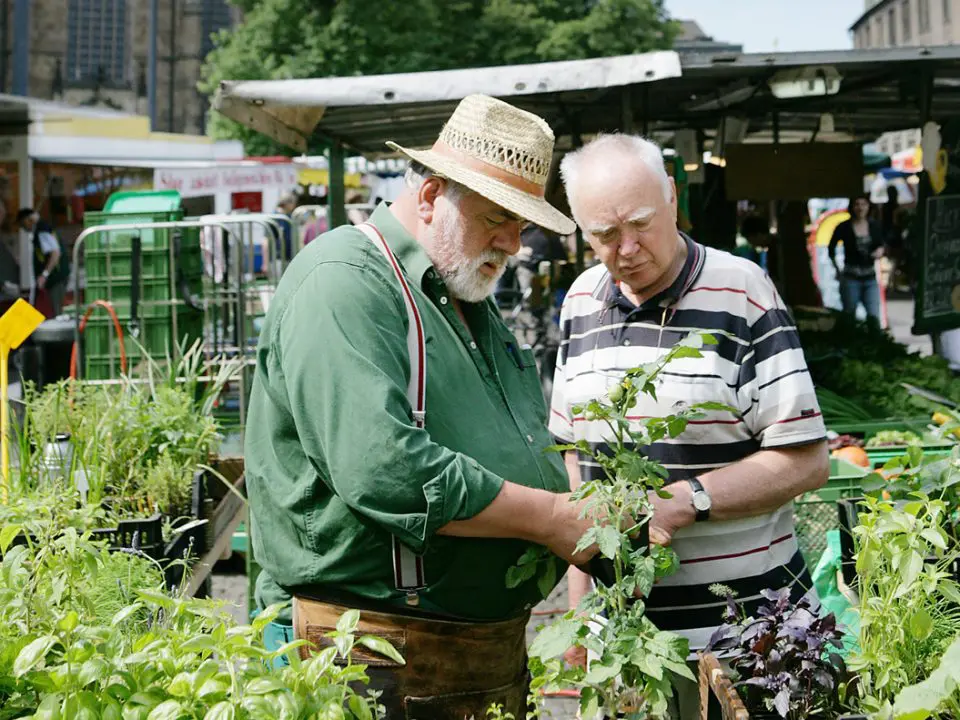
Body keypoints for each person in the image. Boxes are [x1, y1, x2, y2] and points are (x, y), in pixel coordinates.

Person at [244, 94, 596, 718]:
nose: (514, 243)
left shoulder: (459, 292)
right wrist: (547, 517)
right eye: (496, 218)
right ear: (432, 197)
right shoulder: (344, 281)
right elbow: (386, 470)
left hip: (463, 656)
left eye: (523, 224)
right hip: (369, 655)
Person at [550, 134, 829, 719]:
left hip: (751, 641)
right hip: (627, 648)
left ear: (672, 198)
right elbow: (577, 463)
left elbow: (806, 459)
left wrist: (687, 500)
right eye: (604, 234)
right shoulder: (579, 302)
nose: (626, 248)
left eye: (641, 224)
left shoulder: (742, 291)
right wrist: (581, 615)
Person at [828, 195, 884, 322]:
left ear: (868, 206)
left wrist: (880, 251)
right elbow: (831, 248)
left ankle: (874, 339)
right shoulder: (844, 227)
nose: (860, 208)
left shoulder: (874, 225)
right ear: (852, 207)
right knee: (849, 314)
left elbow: (881, 244)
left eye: (863, 204)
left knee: (873, 315)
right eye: (857, 204)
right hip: (850, 277)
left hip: (870, 276)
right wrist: (837, 269)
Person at [17, 209, 68, 317]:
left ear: (28, 220)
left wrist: (44, 275)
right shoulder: (43, 229)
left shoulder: (42, 230)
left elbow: (55, 253)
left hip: (56, 279)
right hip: (55, 278)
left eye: (22, 224)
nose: (23, 228)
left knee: (57, 312)